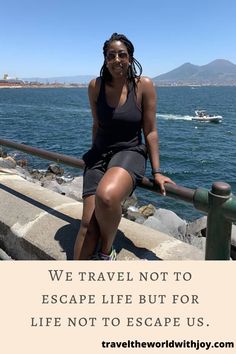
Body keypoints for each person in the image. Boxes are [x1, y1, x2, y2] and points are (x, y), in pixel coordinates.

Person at [73, 33, 175, 261]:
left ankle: (106, 251)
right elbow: (96, 124)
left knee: (107, 196)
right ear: (105, 59)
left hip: (129, 152)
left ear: (130, 58)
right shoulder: (95, 86)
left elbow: (150, 131)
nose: (117, 59)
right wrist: (93, 160)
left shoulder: (143, 85)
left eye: (122, 54)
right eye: (111, 55)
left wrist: (157, 172)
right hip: (99, 154)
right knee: (87, 226)